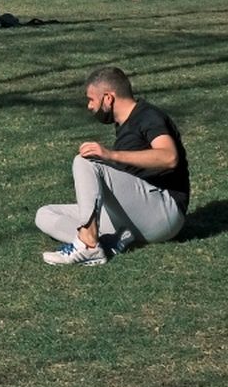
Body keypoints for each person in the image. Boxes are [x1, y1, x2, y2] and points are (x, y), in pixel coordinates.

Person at [36, 67, 189, 266]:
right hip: (136, 215)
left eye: (91, 99)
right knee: (45, 214)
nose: (89, 106)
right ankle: (113, 239)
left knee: (83, 161)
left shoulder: (148, 116)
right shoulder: (124, 125)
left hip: (163, 211)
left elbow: (169, 157)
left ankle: (89, 246)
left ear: (108, 98)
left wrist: (110, 155)